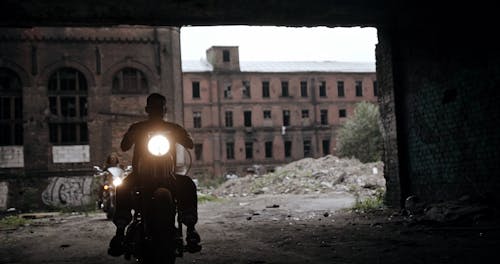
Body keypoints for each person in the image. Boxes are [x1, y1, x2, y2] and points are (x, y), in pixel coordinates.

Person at [108, 93, 201, 257]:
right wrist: (130, 135)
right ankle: (120, 230)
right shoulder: (138, 127)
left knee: (187, 184)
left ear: (165, 110)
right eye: (154, 107)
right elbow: (124, 146)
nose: (157, 110)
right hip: (140, 174)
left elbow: (190, 144)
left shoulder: (173, 128)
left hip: (168, 173)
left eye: (160, 107)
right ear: (147, 109)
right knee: (122, 187)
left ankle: (191, 228)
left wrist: (183, 136)